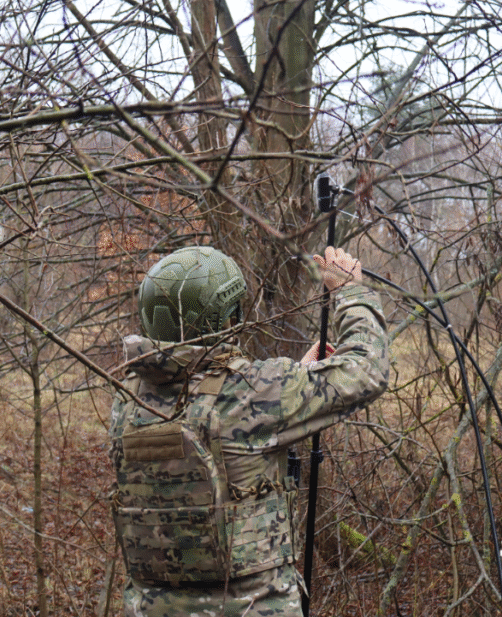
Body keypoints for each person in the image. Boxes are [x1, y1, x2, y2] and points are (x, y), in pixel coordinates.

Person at [109, 244, 389, 617]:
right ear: (229, 318)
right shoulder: (255, 391)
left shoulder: (127, 399)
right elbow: (367, 369)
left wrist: (293, 382)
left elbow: (212, 413)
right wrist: (350, 291)